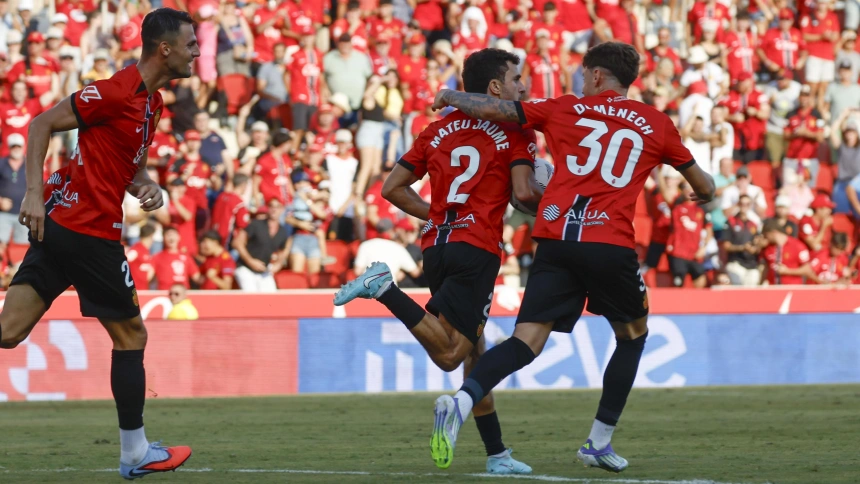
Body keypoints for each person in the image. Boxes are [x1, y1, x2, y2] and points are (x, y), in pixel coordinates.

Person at [424, 42, 715, 473]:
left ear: (597, 76)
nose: (580, 82)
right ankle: (597, 443)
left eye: (583, 75)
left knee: (526, 341)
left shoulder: (564, 109)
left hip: (556, 239)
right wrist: (703, 194)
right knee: (633, 335)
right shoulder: (657, 123)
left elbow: (495, 110)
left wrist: (450, 96)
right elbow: (703, 183)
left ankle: (461, 402)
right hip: (609, 242)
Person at [0, 8, 196, 478]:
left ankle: (136, 453)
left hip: (61, 228)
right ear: (164, 49)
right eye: (190, 45)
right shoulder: (114, 90)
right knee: (132, 335)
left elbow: (129, 161)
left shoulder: (154, 104)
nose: (196, 53)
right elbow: (41, 123)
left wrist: (146, 183)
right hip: (87, 231)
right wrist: (31, 191)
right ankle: (135, 454)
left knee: (8, 332)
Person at [333, 48, 544, 475]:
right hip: (477, 246)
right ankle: (385, 288)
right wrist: (558, 207)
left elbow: (393, 188)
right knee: (451, 354)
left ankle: (497, 454)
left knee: (475, 348)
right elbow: (524, 195)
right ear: (496, 88)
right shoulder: (517, 130)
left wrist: (441, 215)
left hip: (438, 246)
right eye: (517, 78)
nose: (524, 85)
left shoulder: (437, 130)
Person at [232, 197, 288, 292]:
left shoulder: (283, 231)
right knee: (251, 295)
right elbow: (237, 243)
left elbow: (282, 251)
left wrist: (278, 264)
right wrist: (250, 261)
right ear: (267, 208)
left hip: (264, 272)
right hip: (246, 268)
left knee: (271, 298)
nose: (274, 209)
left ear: (282, 210)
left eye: (278, 207)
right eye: (271, 206)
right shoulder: (256, 224)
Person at [666, 187, 713, 288]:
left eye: (690, 189)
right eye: (685, 188)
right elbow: (665, 194)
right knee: (678, 283)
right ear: (681, 191)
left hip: (694, 254)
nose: (688, 191)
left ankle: (697, 303)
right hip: (678, 252)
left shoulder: (701, 210)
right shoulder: (676, 206)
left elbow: (709, 231)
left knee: (701, 280)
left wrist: (704, 247)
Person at [722, 195, 762, 286]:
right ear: (738, 204)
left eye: (747, 204)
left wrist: (756, 247)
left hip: (752, 264)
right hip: (736, 262)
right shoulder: (730, 222)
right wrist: (742, 248)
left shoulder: (753, 224)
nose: (744, 206)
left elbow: (757, 246)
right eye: (742, 203)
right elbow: (726, 246)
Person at [759, 218, 814, 285]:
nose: (765, 238)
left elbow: (807, 270)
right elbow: (766, 268)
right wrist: (760, 284)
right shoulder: (768, 248)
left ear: (773, 232)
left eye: (766, 235)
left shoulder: (797, 246)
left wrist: (788, 271)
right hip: (774, 289)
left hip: (792, 288)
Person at [151, 225, 201, 291]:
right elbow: (147, 277)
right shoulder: (157, 257)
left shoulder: (186, 257)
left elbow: (197, 278)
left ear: (179, 237)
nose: (171, 238)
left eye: (173, 235)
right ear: (163, 238)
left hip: (182, 295)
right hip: (164, 294)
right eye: (168, 235)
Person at [0, 133, 29, 245]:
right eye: (13, 146)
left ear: (24, 147)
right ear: (9, 147)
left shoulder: (31, 164)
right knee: (1, 245)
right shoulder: (1, 163)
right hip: (3, 213)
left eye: (19, 146)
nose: (16, 149)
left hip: (25, 214)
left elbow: (41, 185)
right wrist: (0, 201)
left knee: (23, 248)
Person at [125, 223, 156, 290]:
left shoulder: (145, 250)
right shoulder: (136, 250)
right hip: (135, 289)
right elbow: (124, 262)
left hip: (143, 289)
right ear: (151, 236)